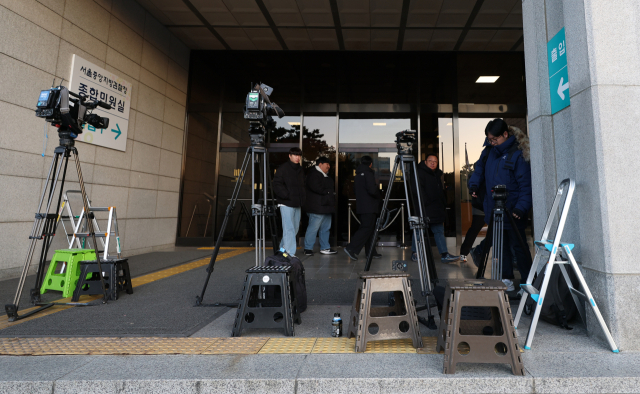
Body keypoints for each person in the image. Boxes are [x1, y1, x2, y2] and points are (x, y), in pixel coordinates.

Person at [468, 119, 532, 291]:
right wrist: (473, 185)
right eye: (489, 139)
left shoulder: (518, 153)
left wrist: (521, 207)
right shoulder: (489, 152)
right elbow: (479, 170)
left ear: (505, 134)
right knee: (500, 245)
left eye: (495, 139)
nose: (492, 142)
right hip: (494, 207)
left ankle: (527, 283)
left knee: (519, 247)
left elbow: (525, 184)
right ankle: (506, 280)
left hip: (513, 210)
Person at [411, 154, 461, 263]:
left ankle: (445, 254)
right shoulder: (419, 172)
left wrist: (443, 203)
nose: (433, 163)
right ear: (425, 162)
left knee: (439, 230)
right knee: (420, 230)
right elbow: (417, 190)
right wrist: (426, 203)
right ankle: (415, 253)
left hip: (437, 208)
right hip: (424, 207)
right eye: (430, 161)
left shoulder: (437, 175)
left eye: (435, 161)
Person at [344, 156, 381, 261]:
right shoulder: (368, 173)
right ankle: (351, 248)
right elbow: (372, 190)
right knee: (366, 228)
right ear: (370, 164)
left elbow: (355, 190)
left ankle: (371, 251)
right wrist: (379, 194)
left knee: (369, 229)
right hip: (370, 206)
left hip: (361, 206)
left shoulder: (358, 175)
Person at [273, 147, 306, 257]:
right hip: (286, 202)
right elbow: (277, 184)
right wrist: (286, 195)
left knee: (294, 228)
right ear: (289, 155)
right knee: (289, 228)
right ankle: (289, 254)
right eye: (295, 155)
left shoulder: (300, 169)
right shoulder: (283, 168)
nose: (297, 157)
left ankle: (282, 250)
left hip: (297, 203)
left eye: (299, 155)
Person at [303, 157, 337, 256]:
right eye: (327, 164)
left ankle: (325, 247)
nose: (329, 166)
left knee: (325, 228)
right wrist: (328, 191)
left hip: (325, 207)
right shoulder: (313, 174)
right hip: (316, 207)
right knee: (313, 228)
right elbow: (317, 188)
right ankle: (308, 248)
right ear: (320, 164)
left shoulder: (324, 175)